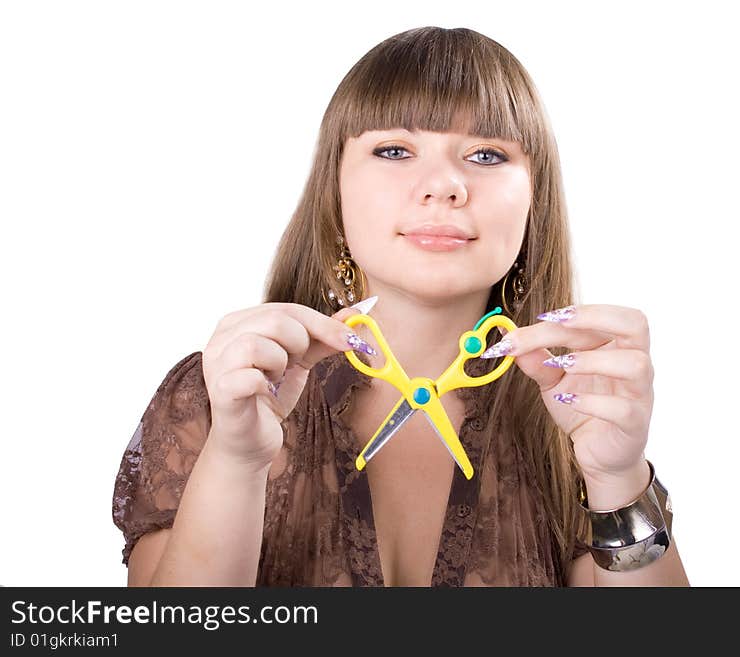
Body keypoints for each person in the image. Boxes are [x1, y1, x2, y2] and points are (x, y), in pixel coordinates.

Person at [112, 26, 689, 587]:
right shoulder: (221, 396)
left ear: (534, 206)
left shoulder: (577, 412)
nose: (444, 185)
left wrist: (617, 479)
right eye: (394, 149)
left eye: (487, 155)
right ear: (333, 195)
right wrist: (235, 462)